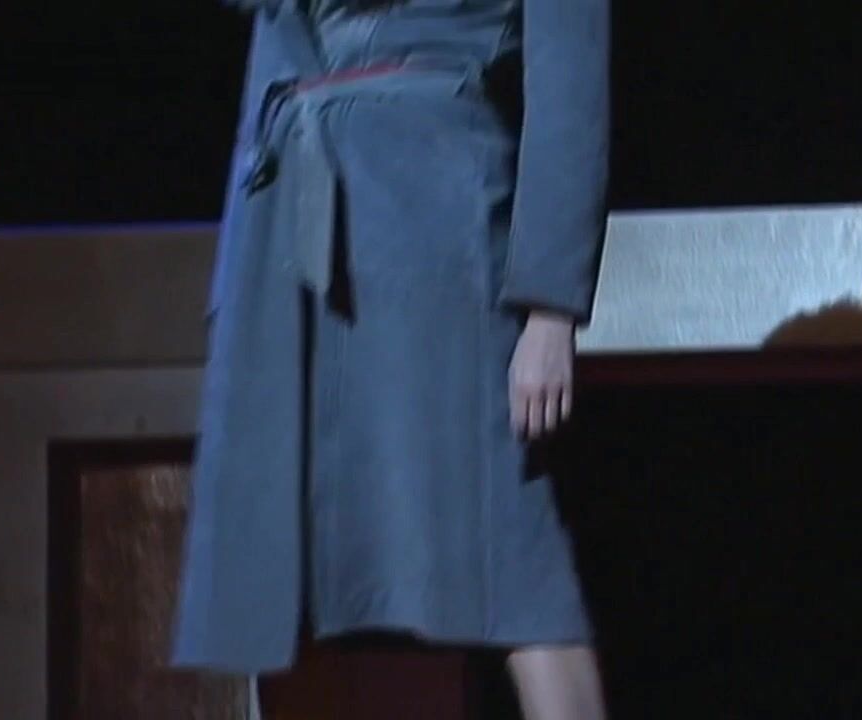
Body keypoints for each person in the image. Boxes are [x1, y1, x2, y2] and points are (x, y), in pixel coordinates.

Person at [171, 1, 611, 718]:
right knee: (288, 577)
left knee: (515, 571)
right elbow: (275, 57)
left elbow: (571, 83)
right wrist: (236, 287)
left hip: (436, 222)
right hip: (294, 222)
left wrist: (550, 311)